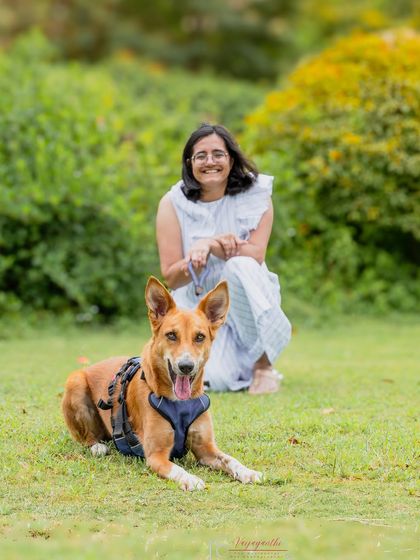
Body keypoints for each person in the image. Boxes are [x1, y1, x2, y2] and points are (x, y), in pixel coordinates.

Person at [156, 123, 291, 394]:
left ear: (231, 159)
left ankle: (263, 366)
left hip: (247, 301)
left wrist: (213, 245)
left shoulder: (257, 194)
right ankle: (241, 365)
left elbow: (256, 254)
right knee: (216, 381)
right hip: (198, 310)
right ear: (189, 163)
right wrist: (197, 256)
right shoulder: (172, 203)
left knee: (239, 265)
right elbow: (170, 275)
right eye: (201, 156)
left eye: (218, 154)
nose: (210, 162)